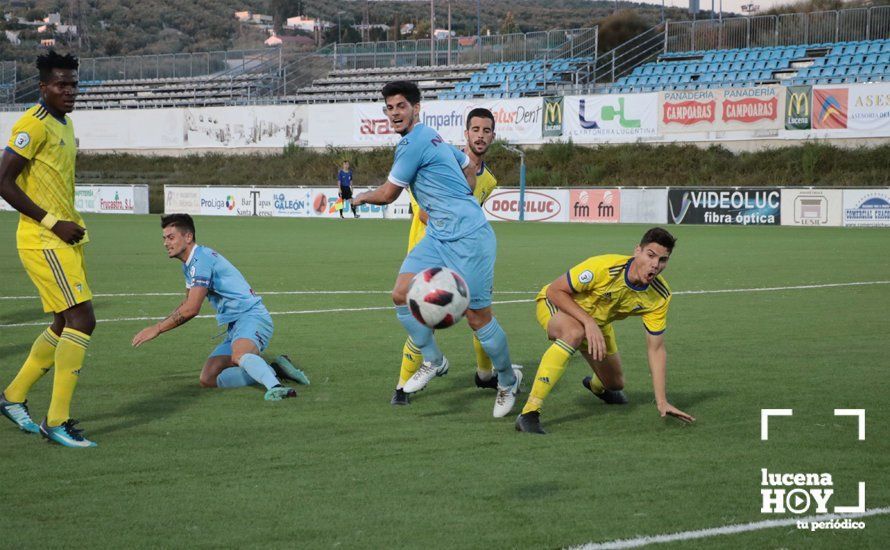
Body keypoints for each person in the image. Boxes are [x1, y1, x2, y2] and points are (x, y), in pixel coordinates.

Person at [352, 81, 522, 418]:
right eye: (390, 107)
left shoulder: (413, 143)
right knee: (401, 293)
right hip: (438, 236)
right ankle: (433, 360)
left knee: (478, 319)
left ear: (416, 108)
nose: (395, 113)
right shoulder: (432, 135)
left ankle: (506, 380)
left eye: (401, 106)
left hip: (471, 239)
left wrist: (357, 198)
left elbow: (388, 194)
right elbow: (469, 169)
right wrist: (457, 196)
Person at [0, 51, 98, 448]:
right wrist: (52, 222)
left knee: (64, 323)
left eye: (73, 84)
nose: (69, 91)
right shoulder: (32, 124)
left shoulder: (66, 124)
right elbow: (3, 182)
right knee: (83, 320)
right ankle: (56, 421)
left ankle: (12, 397)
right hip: (45, 241)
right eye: (61, 84)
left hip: (66, 239)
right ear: (43, 87)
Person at [515, 227, 696, 434]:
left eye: (663, 260)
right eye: (650, 255)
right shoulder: (604, 267)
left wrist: (662, 401)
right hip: (559, 305)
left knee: (615, 384)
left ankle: (595, 386)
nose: (655, 265)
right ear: (637, 251)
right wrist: (588, 322)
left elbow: (656, 349)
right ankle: (529, 413)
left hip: (597, 324)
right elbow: (555, 291)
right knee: (574, 333)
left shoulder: (659, 296)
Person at [392, 107, 501, 406]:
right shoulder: (438, 159)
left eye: (486, 131)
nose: (480, 136)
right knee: (422, 315)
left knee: (479, 315)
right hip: (431, 248)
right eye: (475, 130)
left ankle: (484, 374)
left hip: (465, 253)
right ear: (465, 133)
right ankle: (402, 386)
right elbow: (424, 211)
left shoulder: (488, 179)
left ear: (493, 136)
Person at [131, 214, 307, 399]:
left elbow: (192, 309)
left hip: (252, 317)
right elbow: (187, 302)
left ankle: (276, 387)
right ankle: (273, 369)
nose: (166, 243)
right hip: (235, 325)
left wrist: (157, 328)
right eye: (164, 238)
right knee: (209, 377)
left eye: (171, 237)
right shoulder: (189, 265)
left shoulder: (201, 260)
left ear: (188, 237)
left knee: (238, 355)